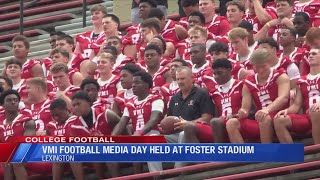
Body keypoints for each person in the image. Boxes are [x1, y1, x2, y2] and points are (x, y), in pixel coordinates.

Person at [226, 48, 290, 143]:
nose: (260, 70)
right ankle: (244, 157)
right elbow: (245, 108)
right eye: (257, 67)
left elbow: (283, 98)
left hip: (282, 116)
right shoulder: (248, 82)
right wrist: (242, 112)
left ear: (270, 63)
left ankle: (266, 155)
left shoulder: (280, 76)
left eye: (263, 66)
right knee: (231, 123)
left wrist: (267, 110)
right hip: (261, 119)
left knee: (263, 118)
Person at [112, 71, 165, 172]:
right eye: (132, 83)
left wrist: (140, 133)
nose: (133, 85)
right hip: (138, 138)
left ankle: (158, 176)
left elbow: (154, 119)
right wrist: (111, 139)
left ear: (146, 84)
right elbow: (122, 123)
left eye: (137, 82)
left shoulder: (155, 99)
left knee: (150, 141)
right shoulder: (130, 103)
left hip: (155, 136)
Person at [164, 66, 214, 167]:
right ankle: (156, 175)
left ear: (192, 78)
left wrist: (187, 123)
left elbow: (207, 118)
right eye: (178, 79)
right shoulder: (174, 98)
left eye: (183, 79)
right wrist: (165, 124)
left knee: (184, 133)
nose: (180, 82)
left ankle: (177, 172)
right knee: (152, 139)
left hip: (197, 132)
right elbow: (170, 119)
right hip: (176, 135)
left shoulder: (201, 93)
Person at [273, 48, 320, 144]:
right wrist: (287, 110)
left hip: (317, 113)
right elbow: (297, 105)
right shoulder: (301, 80)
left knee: (316, 113)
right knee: (279, 120)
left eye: (314, 54)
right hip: (307, 116)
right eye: (309, 54)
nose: (310, 56)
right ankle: (293, 156)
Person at [70, 91, 120, 178]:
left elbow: (123, 126)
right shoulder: (74, 125)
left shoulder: (105, 114)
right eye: (74, 105)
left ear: (88, 102)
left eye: (78, 104)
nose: (76, 107)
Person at [0, 90, 36, 180]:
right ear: (2, 105)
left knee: (16, 159)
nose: (13, 102)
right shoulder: (1, 126)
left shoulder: (27, 121)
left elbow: (27, 143)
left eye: (15, 100)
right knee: (6, 161)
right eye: (9, 100)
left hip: (29, 153)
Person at [46, 98, 84, 180]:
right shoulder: (50, 126)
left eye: (58, 114)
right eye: (53, 116)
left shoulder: (77, 120)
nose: (56, 118)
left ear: (67, 110)